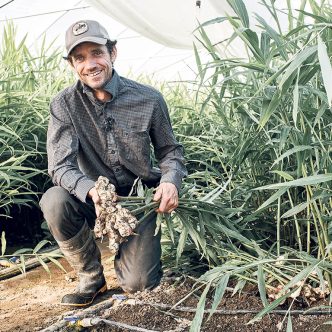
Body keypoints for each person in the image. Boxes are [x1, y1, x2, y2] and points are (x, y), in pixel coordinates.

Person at [39, 20, 187, 307]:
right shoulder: (64, 105)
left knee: (138, 284)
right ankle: (91, 279)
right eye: (79, 58)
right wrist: (92, 190)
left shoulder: (149, 99)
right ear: (71, 64)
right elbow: (59, 166)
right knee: (54, 201)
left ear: (112, 53)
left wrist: (170, 181)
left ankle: (131, 254)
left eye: (96, 53)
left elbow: (171, 151)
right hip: (92, 200)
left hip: (137, 201)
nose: (90, 64)